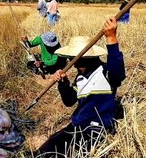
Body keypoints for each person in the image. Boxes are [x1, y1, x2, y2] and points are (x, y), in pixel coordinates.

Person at [35, 17, 126, 157]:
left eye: (76, 59)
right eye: (71, 59)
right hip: (77, 126)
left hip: (93, 131)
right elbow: (69, 101)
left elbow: (118, 71)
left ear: (90, 58)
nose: (74, 63)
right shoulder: (80, 78)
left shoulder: (105, 73)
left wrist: (112, 38)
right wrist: (63, 83)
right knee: (44, 150)